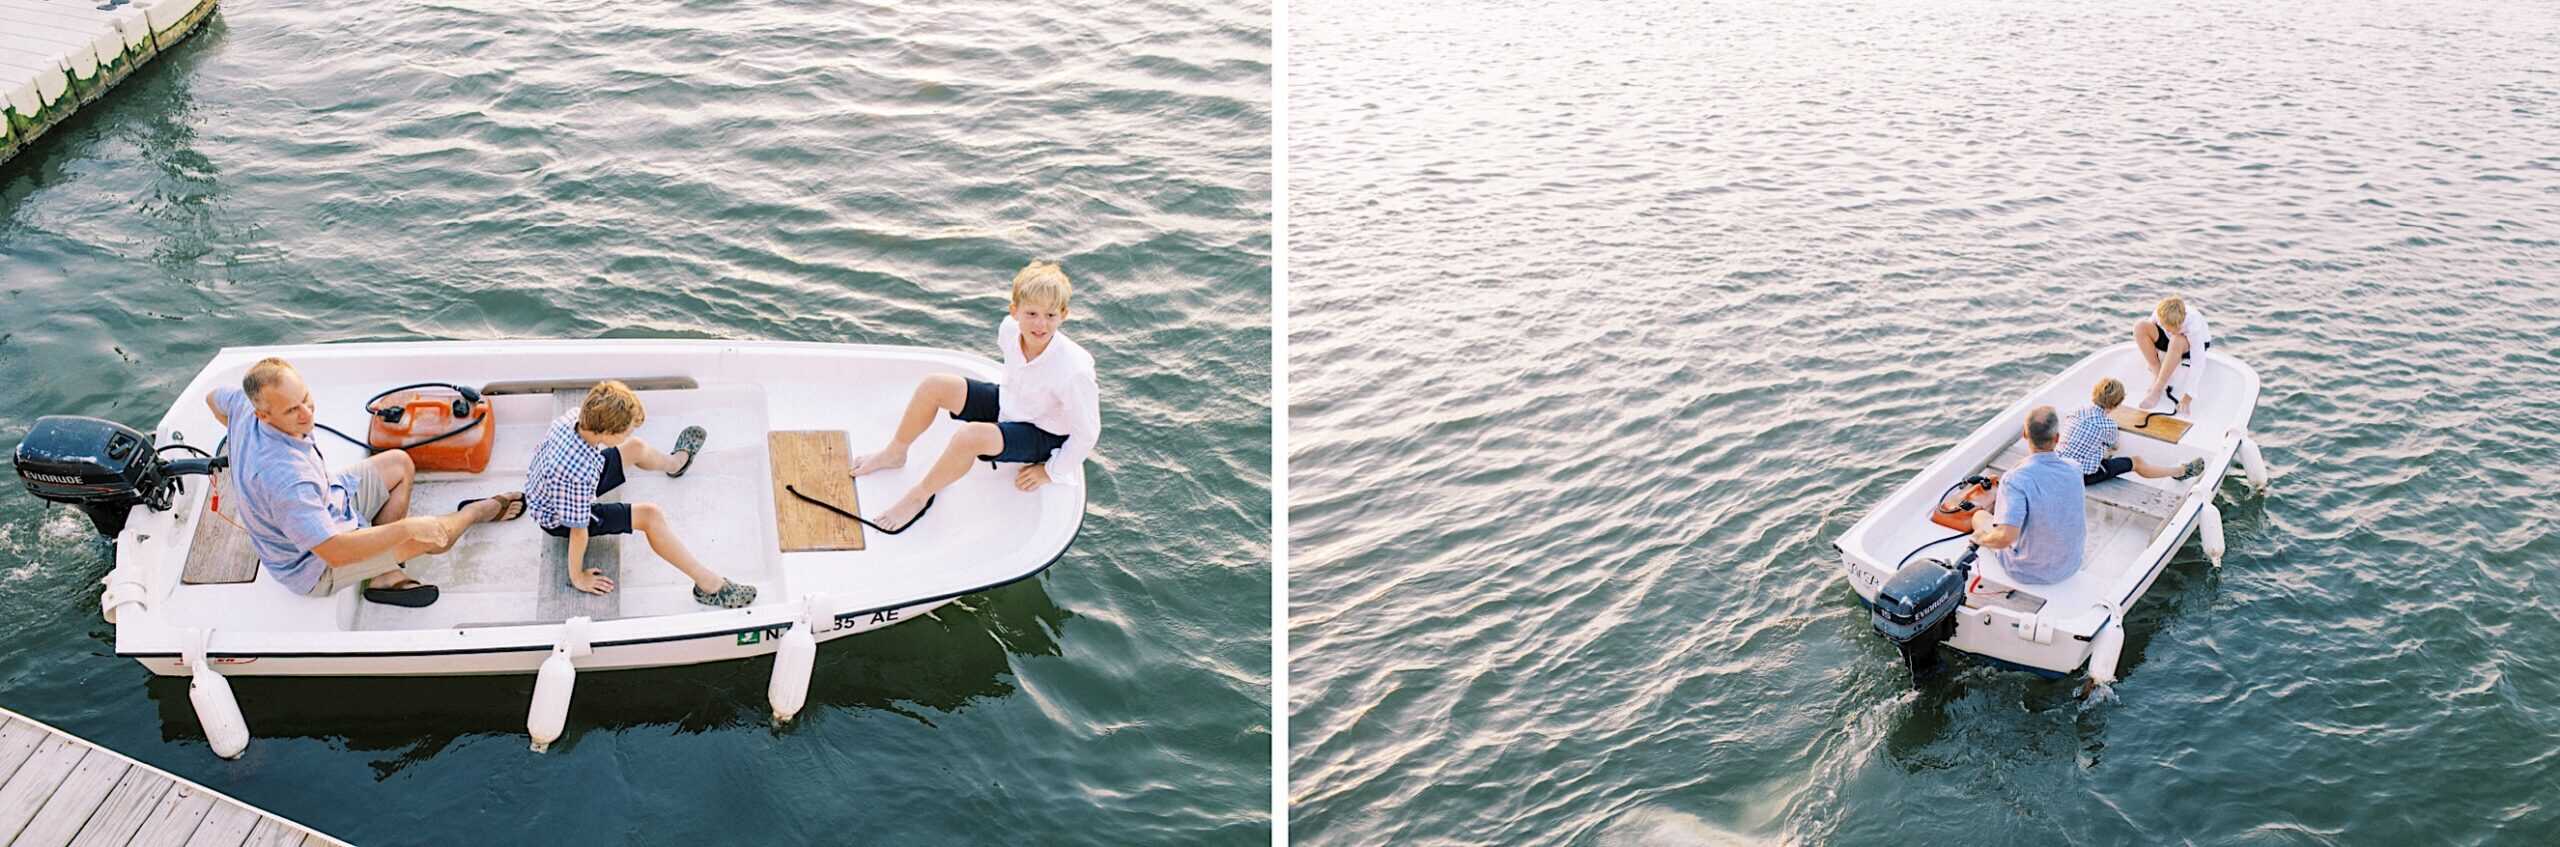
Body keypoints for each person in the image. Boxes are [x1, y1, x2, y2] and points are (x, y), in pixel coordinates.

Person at [205, 357, 525, 607]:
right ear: (263, 415)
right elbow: (335, 553)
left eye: (305, 398)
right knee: (437, 536)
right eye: (292, 410)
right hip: (316, 565)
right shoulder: (289, 482)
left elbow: (213, 399)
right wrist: (406, 529)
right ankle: (479, 511)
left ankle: (382, 573)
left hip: (330, 498)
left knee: (399, 463)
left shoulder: (241, 405)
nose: (307, 414)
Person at [849, 260, 1102, 531]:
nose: (1040, 324)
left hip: (1043, 431)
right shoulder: (1008, 330)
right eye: (1031, 313)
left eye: (1051, 315)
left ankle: (920, 495)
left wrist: (1049, 471)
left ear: (1063, 314)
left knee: (969, 437)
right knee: (934, 385)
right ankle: (894, 453)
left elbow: (1087, 433)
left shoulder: (1074, 370)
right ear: (1014, 311)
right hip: (1011, 403)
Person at [524, 380, 756, 608]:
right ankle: (709, 586)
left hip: (563, 482)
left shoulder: (573, 417)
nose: (627, 434)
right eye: (625, 431)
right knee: (650, 516)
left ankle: (676, 464)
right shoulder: (578, 475)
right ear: (606, 432)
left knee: (635, 448)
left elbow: (579, 464)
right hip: (559, 519)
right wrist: (578, 577)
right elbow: (578, 531)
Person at [1973, 405, 2086, 585]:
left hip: (2029, 572)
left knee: (1979, 516)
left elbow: (2005, 538)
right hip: (2070, 565)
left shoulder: (2014, 480)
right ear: (2057, 438)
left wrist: (1981, 539)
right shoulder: (2074, 468)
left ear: (2025, 435)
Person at [2059, 378, 2206, 486]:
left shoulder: (2076, 412)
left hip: (2059, 468)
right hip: (2081, 477)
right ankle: (2180, 471)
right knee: (2137, 462)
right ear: (2117, 404)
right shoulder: (2108, 425)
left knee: (2103, 450)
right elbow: (2113, 446)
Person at [2132, 294, 2213, 415]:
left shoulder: (2193, 325)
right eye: (2166, 328)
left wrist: (2188, 396)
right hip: (2171, 340)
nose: (2168, 330)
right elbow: (2149, 331)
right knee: (2140, 327)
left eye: (2172, 328)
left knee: (2176, 339)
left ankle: (2158, 388)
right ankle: (2156, 371)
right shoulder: (2160, 313)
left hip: (2188, 344)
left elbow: (2198, 362)